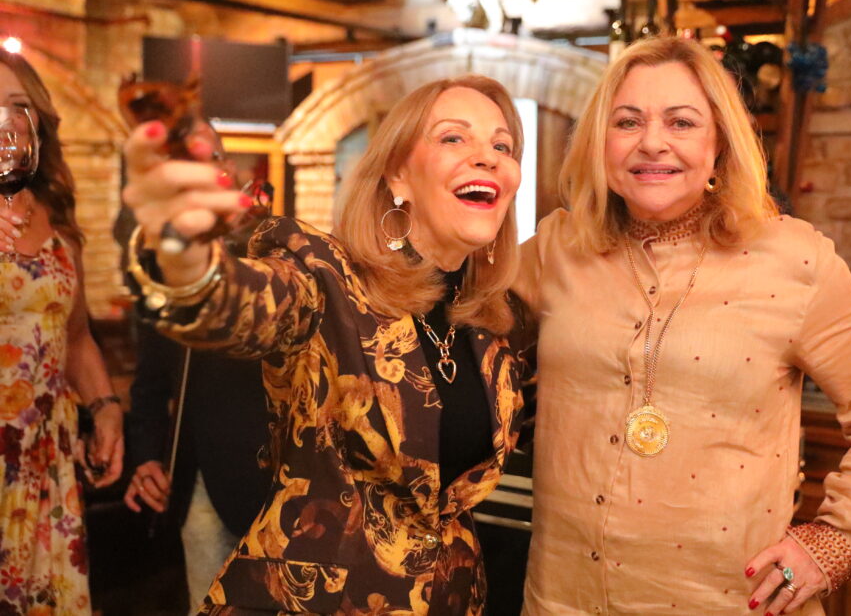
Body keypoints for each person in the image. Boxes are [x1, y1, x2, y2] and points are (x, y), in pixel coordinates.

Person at [514, 36, 851, 616]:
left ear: (720, 145)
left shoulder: (793, 259)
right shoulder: (556, 248)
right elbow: (455, 332)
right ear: (598, 144)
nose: (652, 142)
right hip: (564, 599)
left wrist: (833, 542)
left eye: (682, 123)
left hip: (728, 601)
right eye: (627, 122)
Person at [120, 74, 531, 615]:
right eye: (453, 137)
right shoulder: (327, 278)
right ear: (398, 175)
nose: (487, 157)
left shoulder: (491, 323)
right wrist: (185, 255)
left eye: (503, 146)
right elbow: (241, 303)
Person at [121, 145, 273, 613]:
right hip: (203, 478)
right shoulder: (162, 263)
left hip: (276, 476)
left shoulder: (270, 250)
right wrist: (148, 455)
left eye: (214, 157)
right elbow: (151, 377)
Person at [0, 49, 124, 613]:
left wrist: (105, 407)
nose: (5, 124)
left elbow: (73, 338)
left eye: (18, 107)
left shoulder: (56, 219)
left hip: (44, 462)